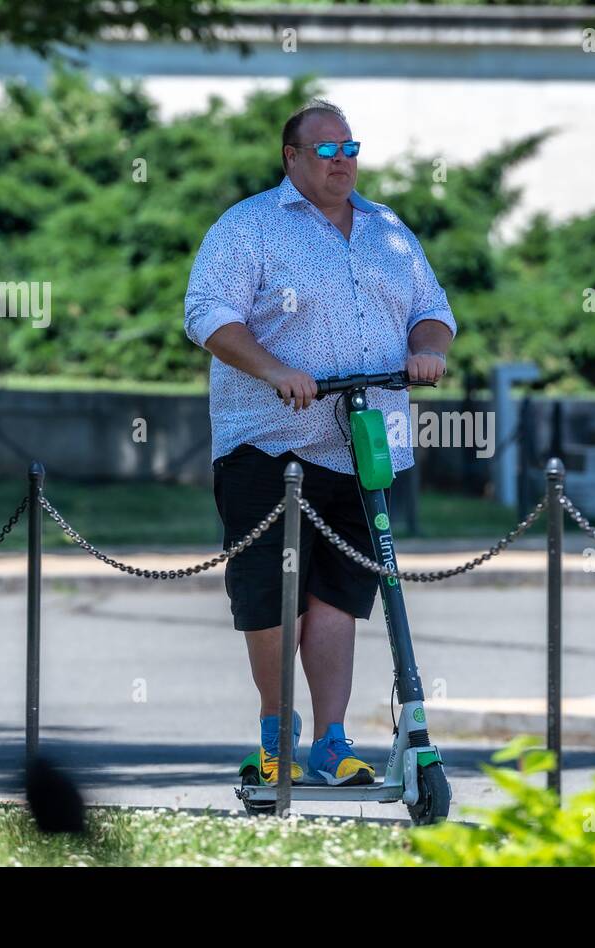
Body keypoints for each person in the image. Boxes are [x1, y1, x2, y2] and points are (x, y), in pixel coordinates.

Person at [183, 99, 456, 786]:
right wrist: (276, 371)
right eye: (327, 150)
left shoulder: (388, 230)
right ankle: (278, 738)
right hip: (271, 444)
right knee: (274, 594)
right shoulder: (248, 227)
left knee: (340, 596)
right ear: (293, 158)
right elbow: (208, 315)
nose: (343, 161)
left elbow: (432, 311)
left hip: (364, 442)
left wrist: (427, 351)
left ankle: (332, 742)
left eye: (351, 148)